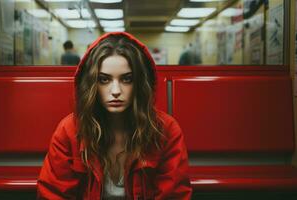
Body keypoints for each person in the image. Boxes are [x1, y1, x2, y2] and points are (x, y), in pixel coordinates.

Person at [37, 32, 192, 199]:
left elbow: (174, 195)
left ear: (139, 83)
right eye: (104, 80)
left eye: (127, 79)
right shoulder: (69, 131)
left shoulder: (165, 130)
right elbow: (53, 194)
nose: (116, 91)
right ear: (91, 84)